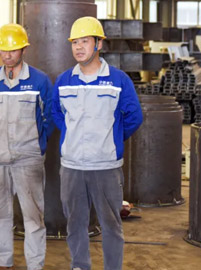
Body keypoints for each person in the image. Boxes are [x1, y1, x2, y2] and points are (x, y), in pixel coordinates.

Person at [50, 16, 143, 270]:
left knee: (111, 224)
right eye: (75, 42)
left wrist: (111, 139)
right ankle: (80, 266)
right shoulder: (64, 81)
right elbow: (57, 113)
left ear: (98, 44)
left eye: (85, 41)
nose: (79, 47)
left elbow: (134, 117)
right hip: (72, 166)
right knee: (75, 224)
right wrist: (72, 135)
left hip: (106, 167)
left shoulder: (118, 80)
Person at [0, 24, 53, 270]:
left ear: (23, 49)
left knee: (33, 216)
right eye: (3, 50)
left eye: (13, 50)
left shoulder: (39, 80)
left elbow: (49, 118)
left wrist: (37, 146)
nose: (7, 55)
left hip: (28, 159)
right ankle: (2, 262)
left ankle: (35, 265)